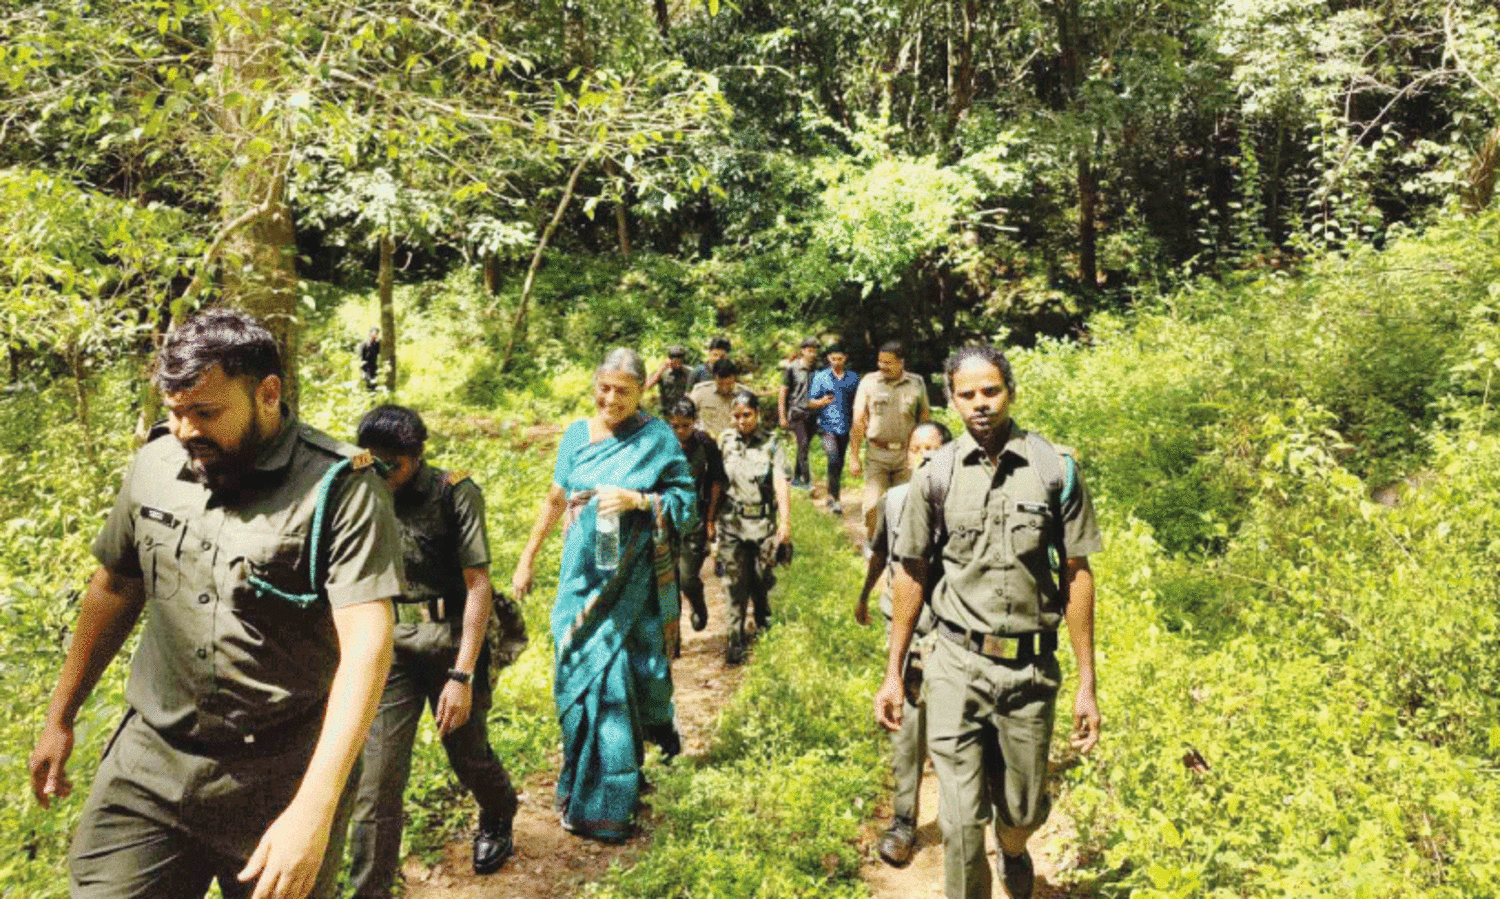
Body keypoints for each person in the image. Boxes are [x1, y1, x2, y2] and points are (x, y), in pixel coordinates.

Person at [29, 309, 400, 899]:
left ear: (268, 394)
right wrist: (60, 717)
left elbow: (367, 648)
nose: (185, 430)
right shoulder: (155, 463)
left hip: (280, 772)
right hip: (150, 763)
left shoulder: (342, 489)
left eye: (206, 413)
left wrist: (314, 808)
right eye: (175, 412)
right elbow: (116, 586)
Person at [874, 346, 1103, 900]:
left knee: (1024, 808)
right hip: (956, 663)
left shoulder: (1054, 469)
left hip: (1030, 671)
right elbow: (911, 573)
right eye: (967, 394)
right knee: (957, 825)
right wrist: (893, 669)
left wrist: (1087, 682)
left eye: (990, 391)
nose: (980, 404)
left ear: (1010, 391)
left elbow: (1076, 572)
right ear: (950, 400)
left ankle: (1015, 845)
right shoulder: (936, 475)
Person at [510, 348, 696, 842]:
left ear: (641, 392)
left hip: (630, 588)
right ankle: (577, 781)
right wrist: (528, 556)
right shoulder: (575, 434)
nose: (610, 398)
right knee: (572, 678)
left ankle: (607, 808)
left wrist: (640, 500)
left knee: (618, 688)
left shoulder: (656, 438)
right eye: (604, 388)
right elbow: (555, 497)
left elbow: (686, 502)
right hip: (579, 581)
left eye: (623, 391)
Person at [347, 405, 519, 898]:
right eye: (372, 460)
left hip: (450, 642)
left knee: (467, 755)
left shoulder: (454, 493)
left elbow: (478, 586)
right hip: (391, 648)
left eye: (392, 465)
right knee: (376, 783)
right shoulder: (359, 487)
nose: (382, 472)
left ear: (416, 457)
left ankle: (499, 811)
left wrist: (462, 676)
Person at [855, 421, 950, 867]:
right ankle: (904, 820)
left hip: (954, 635)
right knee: (908, 729)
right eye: (917, 449)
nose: (925, 456)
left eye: (934, 448)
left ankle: (960, 817)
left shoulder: (964, 503)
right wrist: (863, 594)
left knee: (955, 726)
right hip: (910, 634)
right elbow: (880, 552)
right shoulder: (893, 501)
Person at [715, 391, 791, 665]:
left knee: (760, 579)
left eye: (746, 414)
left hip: (763, 525)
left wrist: (785, 522)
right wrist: (710, 521)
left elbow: (781, 483)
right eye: (736, 415)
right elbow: (716, 482)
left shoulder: (771, 444)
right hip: (732, 523)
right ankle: (734, 638)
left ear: (757, 413)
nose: (741, 421)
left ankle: (763, 624)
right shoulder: (725, 441)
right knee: (734, 582)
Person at [851, 340, 931, 540]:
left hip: (907, 457)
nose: (882, 366)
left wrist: (925, 454)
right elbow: (858, 421)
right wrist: (854, 456)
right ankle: (873, 548)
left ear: (900, 362)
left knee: (907, 507)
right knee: (872, 506)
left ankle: (899, 553)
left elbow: (924, 420)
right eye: (880, 361)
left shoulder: (916, 383)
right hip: (877, 454)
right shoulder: (869, 382)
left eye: (888, 362)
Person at [665, 397, 725, 646]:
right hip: (666, 518)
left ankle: (698, 605)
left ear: (694, 423)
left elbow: (717, 481)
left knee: (687, 577)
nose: (680, 431)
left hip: (696, 518)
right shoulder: (662, 444)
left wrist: (711, 519)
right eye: (675, 425)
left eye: (686, 426)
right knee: (668, 579)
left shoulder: (706, 444)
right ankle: (673, 636)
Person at [807, 344, 859, 515]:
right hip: (826, 425)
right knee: (833, 457)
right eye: (833, 358)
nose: (836, 362)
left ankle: (831, 493)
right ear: (828, 358)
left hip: (845, 425)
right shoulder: (820, 377)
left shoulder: (853, 378)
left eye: (840, 358)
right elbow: (810, 401)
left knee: (839, 462)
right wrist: (821, 402)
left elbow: (859, 402)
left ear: (845, 358)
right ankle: (835, 499)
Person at [778, 337, 820, 489]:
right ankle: (808, 482)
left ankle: (795, 478)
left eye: (814, 351)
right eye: (809, 350)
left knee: (804, 446)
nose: (812, 354)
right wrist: (782, 416)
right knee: (803, 446)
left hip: (812, 414)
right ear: (803, 351)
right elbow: (783, 393)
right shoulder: (792, 368)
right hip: (796, 413)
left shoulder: (818, 368)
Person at [688, 356, 745, 440]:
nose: (725, 388)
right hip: (707, 444)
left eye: (729, 384)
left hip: (735, 444)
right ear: (714, 378)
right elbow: (686, 414)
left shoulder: (744, 394)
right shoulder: (701, 392)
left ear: (735, 379)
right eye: (721, 384)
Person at [644, 345, 693, 413]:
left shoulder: (689, 372)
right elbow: (647, 385)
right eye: (673, 359)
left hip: (685, 412)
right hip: (667, 412)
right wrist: (663, 367)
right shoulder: (663, 372)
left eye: (678, 359)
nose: (676, 362)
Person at [359, 327, 381, 391]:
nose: (375, 336)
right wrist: (363, 371)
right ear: (370, 334)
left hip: (375, 367)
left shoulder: (378, 344)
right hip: (366, 368)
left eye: (377, 334)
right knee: (368, 386)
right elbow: (361, 358)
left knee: (375, 386)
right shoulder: (364, 345)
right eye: (374, 334)